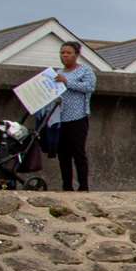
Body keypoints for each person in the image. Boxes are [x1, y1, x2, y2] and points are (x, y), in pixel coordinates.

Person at [48, 40, 96, 192]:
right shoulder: (57, 72)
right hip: (60, 118)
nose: (65, 56)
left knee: (78, 152)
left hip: (78, 117)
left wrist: (67, 82)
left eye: (68, 53)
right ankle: (66, 185)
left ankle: (83, 186)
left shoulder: (85, 71)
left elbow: (89, 87)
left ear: (76, 55)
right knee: (63, 154)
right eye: (62, 53)